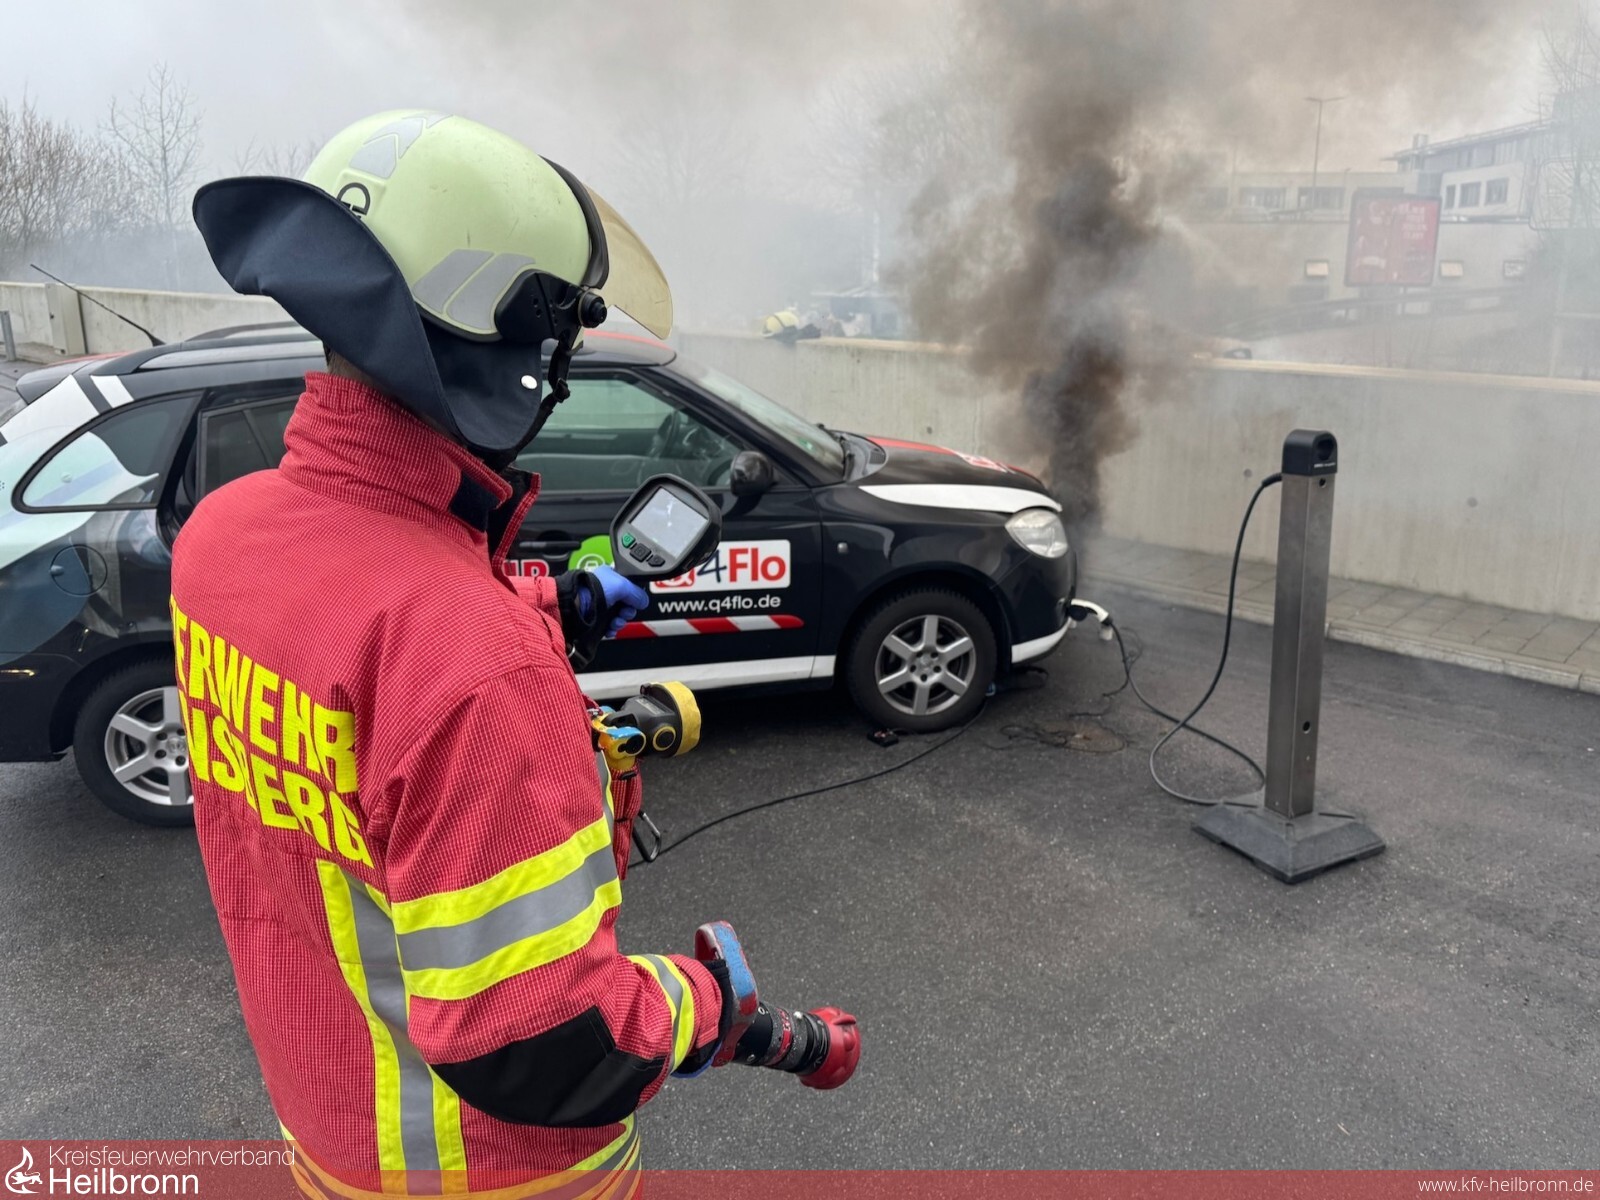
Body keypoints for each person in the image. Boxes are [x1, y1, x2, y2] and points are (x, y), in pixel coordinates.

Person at [176, 110, 854, 1199]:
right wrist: (713, 1005)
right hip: (487, 1172)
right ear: (501, 334)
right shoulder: (472, 663)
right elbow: (551, 1045)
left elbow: (359, 657)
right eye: (555, 337)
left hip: (327, 1117)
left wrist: (551, 605)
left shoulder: (224, 536)